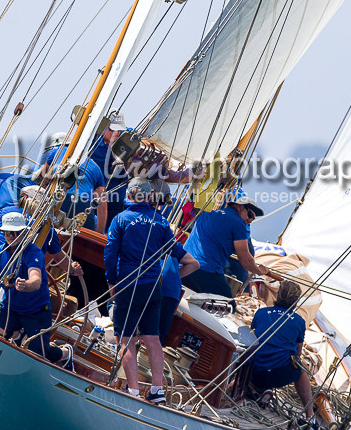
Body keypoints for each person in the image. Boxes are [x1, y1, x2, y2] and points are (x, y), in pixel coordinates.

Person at [102, 178, 197, 403]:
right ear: (149, 197)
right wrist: (162, 282)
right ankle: (157, 390)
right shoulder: (161, 222)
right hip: (153, 289)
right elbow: (192, 263)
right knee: (152, 339)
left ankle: (133, 390)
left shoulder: (121, 220)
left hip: (128, 286)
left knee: (125, 339)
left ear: (129, 196)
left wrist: (111, 283)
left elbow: (109, 254)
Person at [0, 211, 66, 365]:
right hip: (11, 309)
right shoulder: (0, 251)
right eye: (8, 232)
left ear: (24, 232)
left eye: (15, 232)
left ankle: (65, 353)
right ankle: (17, 334)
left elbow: (35, 280)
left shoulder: (33, 253)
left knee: (38, 357)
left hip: (36, 313)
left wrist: (25, 285)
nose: (11, 236)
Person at [245, 280, 317, 424]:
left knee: (249, 354)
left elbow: (252, 336)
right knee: (300, 370)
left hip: (255, 373)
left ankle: (240, 387)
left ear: (277, 296)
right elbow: (297, 355)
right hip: (280, 375)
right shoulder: (299, 321)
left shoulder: (261, 313)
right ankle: (310, 417)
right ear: (296, 302)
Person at [182, 188, 265, 305]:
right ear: (239, 206)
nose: (250, 220)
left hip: (183, 267)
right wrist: (260, 271)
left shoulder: (206, 215)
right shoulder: (237, 223)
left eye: (253, 218)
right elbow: (245, 259)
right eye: (250, 214)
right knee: (229, 306)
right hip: (205, 271)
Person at [35, 132, 106, 221]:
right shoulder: (94, 165)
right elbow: (102, 205)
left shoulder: (54, 151)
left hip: (60, 200)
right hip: (84, 206)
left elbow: (38, 180)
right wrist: (98, 232)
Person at [88, 111, 129, 232]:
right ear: (103, 128)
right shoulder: (91, 142)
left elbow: (143, 138)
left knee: (112, 233)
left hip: (116, 199)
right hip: (93, 196)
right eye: (112, 130)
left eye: (119, 130)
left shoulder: (126, 137)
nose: (116, 133)